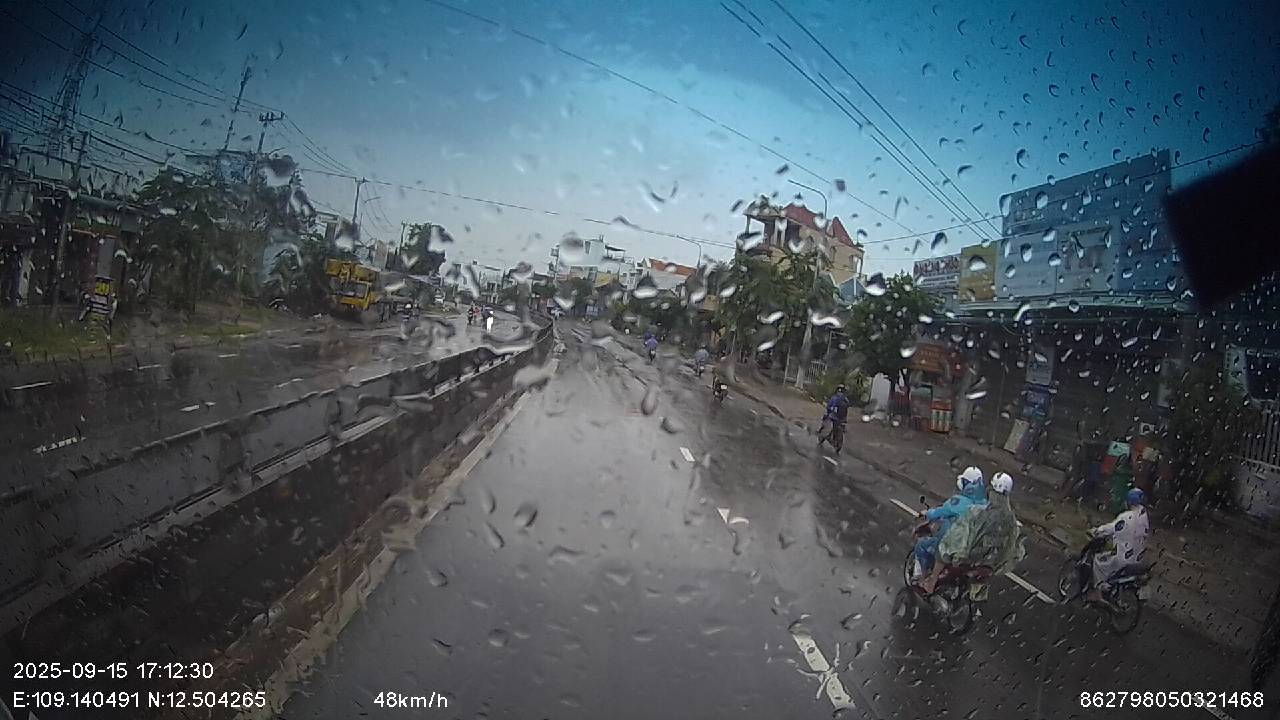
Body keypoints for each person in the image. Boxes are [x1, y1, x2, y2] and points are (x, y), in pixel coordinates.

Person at [926, 471, 1024, 594]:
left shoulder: (977, 512)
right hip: (994, 563)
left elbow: (960, 536)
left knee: (942, 548)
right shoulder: (1012, 520)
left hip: (972, 558)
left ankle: (932, 582)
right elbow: (1013, 546)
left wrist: (954, 553)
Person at [911, 467, 988, 583]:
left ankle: (922, 578)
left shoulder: (958, 501)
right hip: (972, 549)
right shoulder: (985, 504)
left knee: (921, 545)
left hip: (953, 546)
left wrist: (926, 513)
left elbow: (938, 512)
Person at [1086, 487, 1150, 602]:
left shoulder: (1126, 517)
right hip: (1138, 557)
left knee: (1098, 561)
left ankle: (1099, 592)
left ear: (1129, 502)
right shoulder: (1144, 515)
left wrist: (1096, 531)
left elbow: (1111, 528)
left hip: (1124, 558)